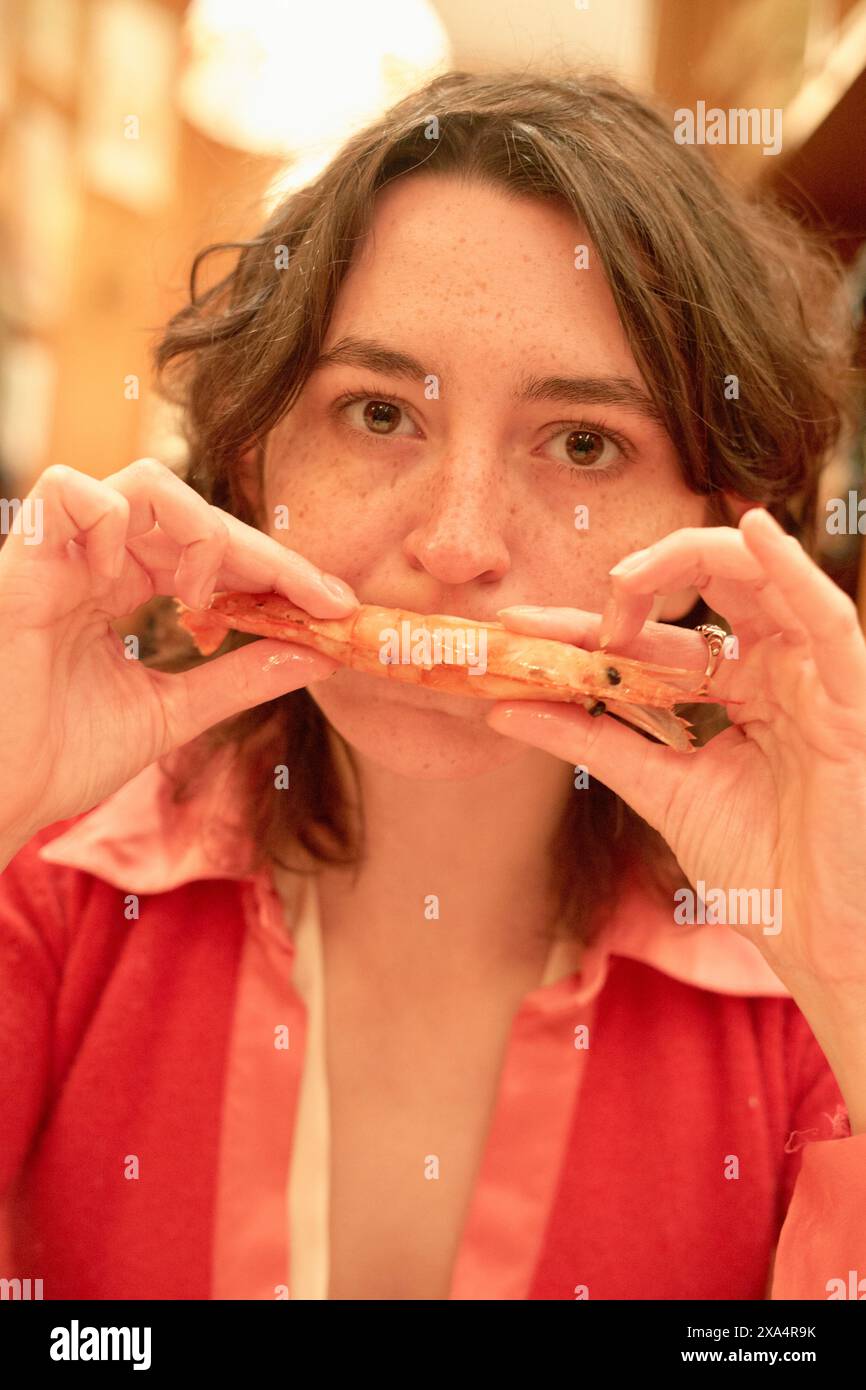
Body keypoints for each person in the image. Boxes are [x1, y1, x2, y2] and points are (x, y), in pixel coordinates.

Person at [1, 70, 865, 1302]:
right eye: (377, 412)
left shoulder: (810, 998)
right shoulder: (49, 896)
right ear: (250, 462)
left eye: (582, 443)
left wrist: (848, 974)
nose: (457, 545)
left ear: (717, 528)